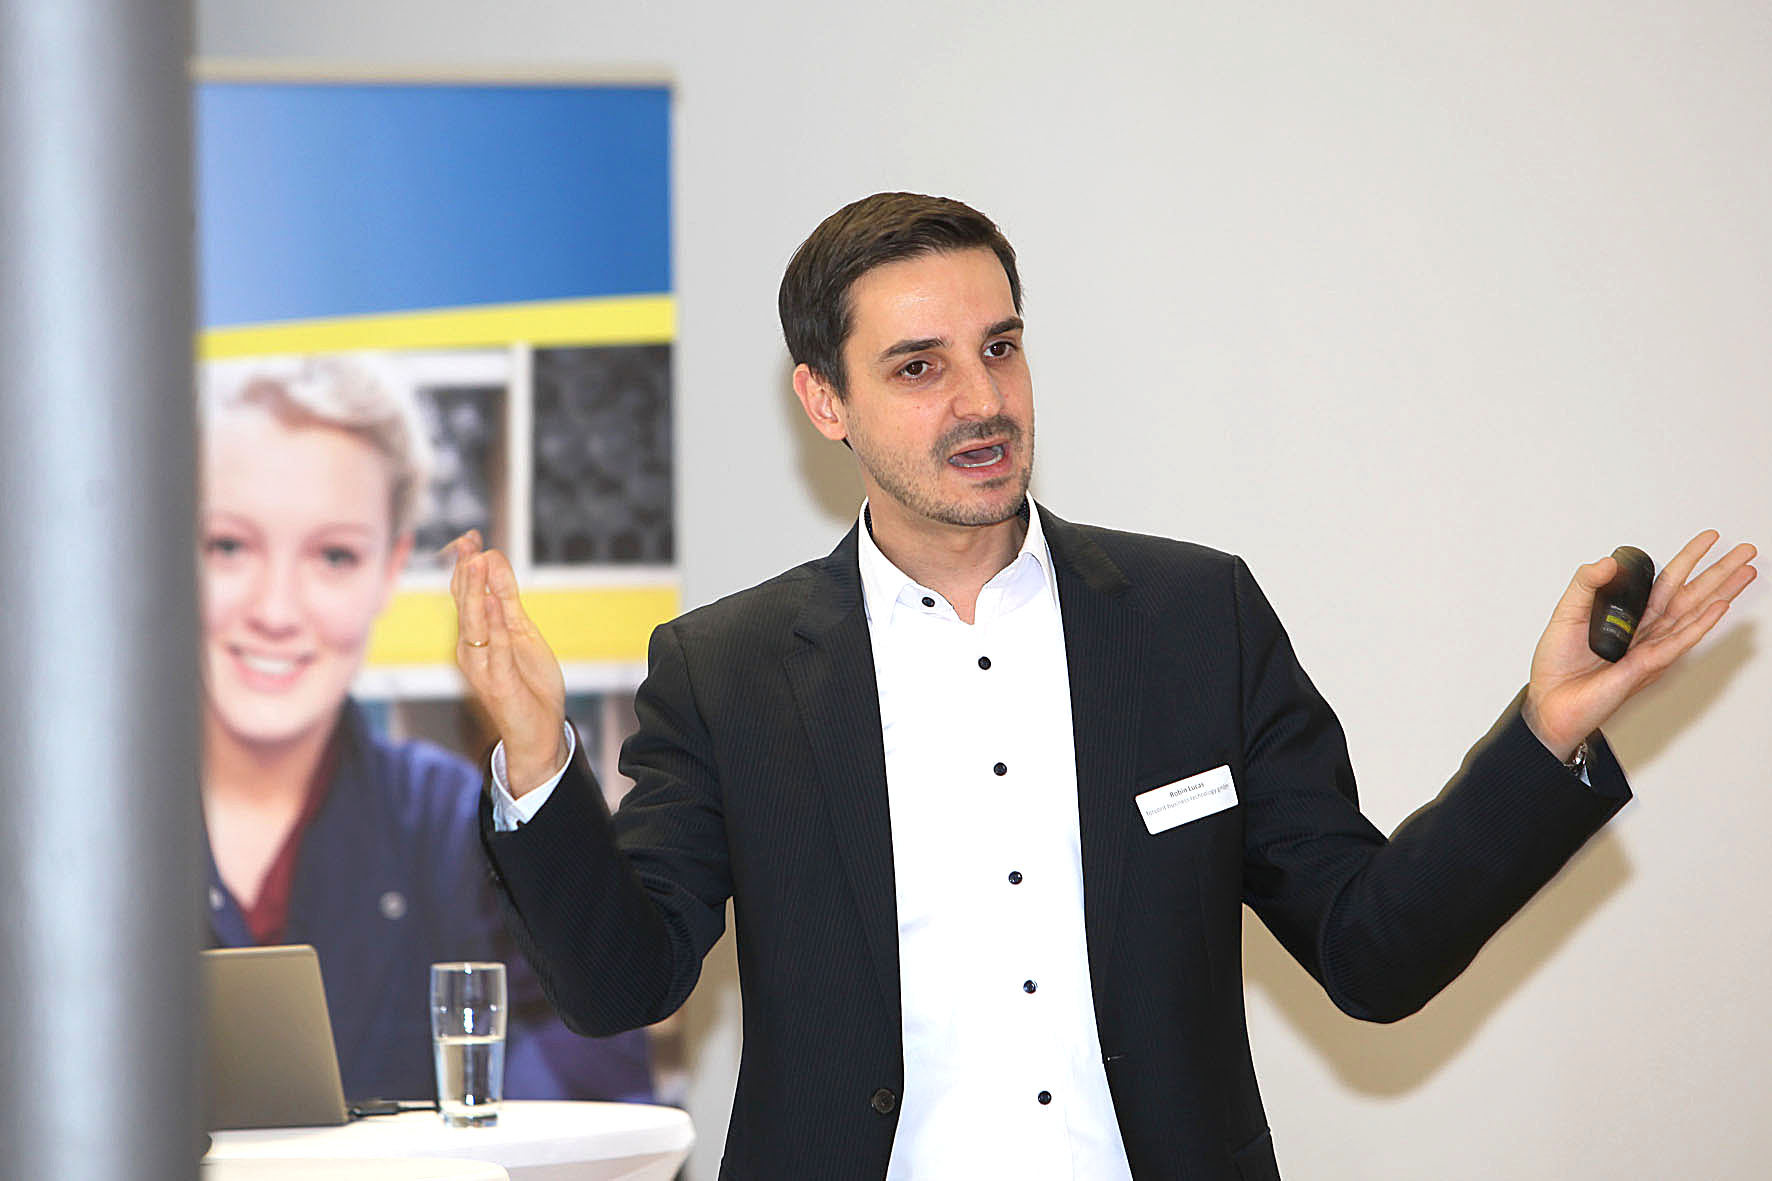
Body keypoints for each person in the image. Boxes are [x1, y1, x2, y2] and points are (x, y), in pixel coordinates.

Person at [449, 194, 1757, 1179]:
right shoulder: (730, 669)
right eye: (918, 367)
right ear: (823, 399)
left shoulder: (1194, 618)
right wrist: (536, 760)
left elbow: (1372, 951)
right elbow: (624, 982)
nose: (983, 400)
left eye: (1001, 347)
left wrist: (1544, 733)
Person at [198, 353, 652, 1104]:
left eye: (334, 555)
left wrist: (536, 755)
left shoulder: (452, 826)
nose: (275, 609)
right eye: (229, 546)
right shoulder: (71, 828)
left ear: (389, 569)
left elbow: (598, 1065)